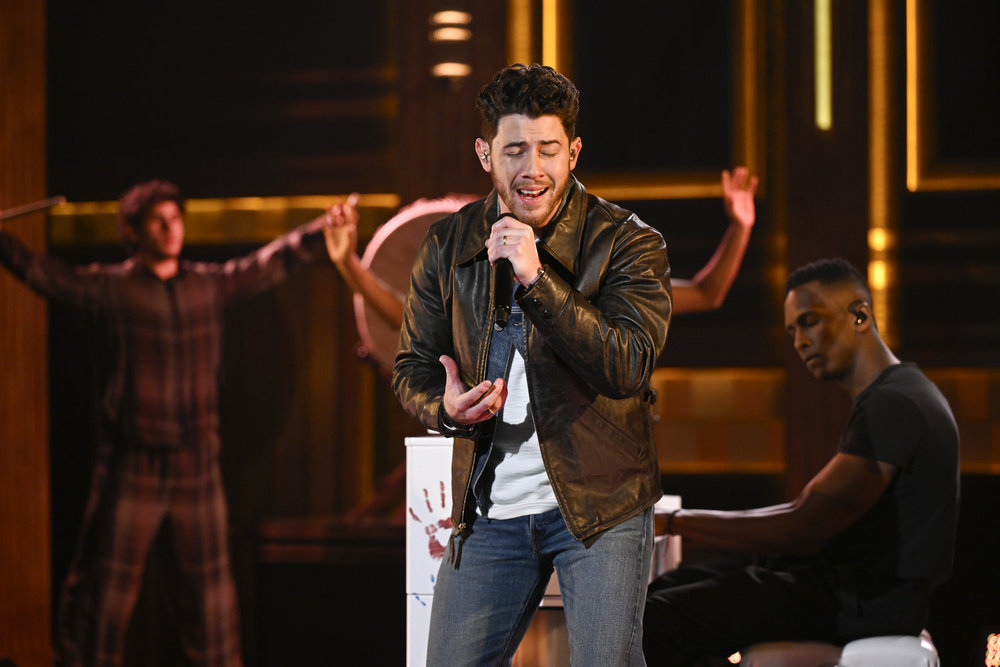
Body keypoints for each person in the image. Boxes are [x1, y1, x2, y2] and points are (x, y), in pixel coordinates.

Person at [391, 63, 672, 666]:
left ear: (574, 152)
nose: (533, 169)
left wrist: (537, 279)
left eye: (548, 149)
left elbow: (627, 366)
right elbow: (411, 367)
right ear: (484, 155)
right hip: (489, 507)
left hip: (601, 504)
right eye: (515, 150)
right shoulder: (447, 245)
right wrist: (446, 408)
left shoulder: (627, 242)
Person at [0, 179, 340, 666]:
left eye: (175, 218)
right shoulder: (112, 288)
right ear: (133, 232)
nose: (170, 228)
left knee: (210, 608)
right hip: (132, 464)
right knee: (100, 602)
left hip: (195, 466)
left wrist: (321, 229)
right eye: (157, 221)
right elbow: (47, 276)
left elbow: (266, 263)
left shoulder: (206, 285)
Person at [643, 257, 960, 665]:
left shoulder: (894, 404)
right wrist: (677, 523)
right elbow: (802, 513)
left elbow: (803, 527)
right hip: (855, 591)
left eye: (810, 322)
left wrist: (673, 522)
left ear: (860, 315)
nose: (800, 342)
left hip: (866, 603)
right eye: (792, 331)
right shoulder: (897, 394)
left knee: (653, 621)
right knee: (664, 591)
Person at [324, 169, 757, 330]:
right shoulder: (492, 281)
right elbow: (408, 317)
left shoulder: (599, 281)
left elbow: (708, 294)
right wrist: (347, 263)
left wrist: (741, 226)